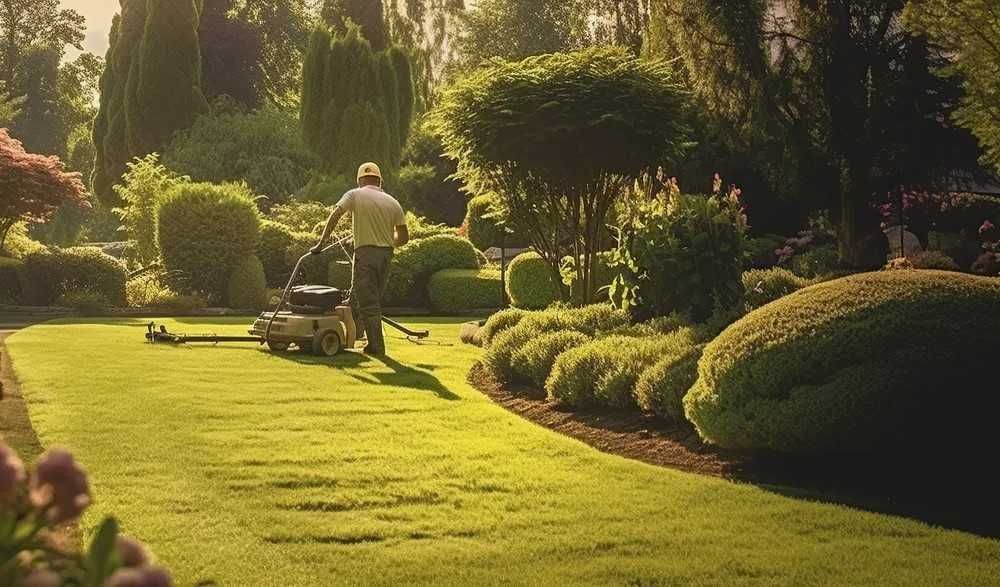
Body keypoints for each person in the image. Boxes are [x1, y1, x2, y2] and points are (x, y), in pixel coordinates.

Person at [312, 162, 409, 355]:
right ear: (380, 181)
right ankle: (353, 336)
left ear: (359, 180)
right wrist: (385, 241)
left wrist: (321, 244)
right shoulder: (393, 202)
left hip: (365, 255)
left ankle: (376, 348)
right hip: (386, 256)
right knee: (365, 298)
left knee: (368, 303)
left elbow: (335, 215)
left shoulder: (354, 194)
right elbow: (404, 238)